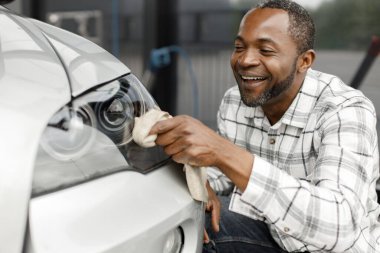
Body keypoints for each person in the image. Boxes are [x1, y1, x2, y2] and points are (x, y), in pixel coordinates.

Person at [150, 0, 380, 252]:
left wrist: (222, 151)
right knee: (190, 223)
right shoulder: (234, 101)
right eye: (239, 47)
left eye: (266, 51)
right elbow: (223, 177)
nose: (245, 60)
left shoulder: (345, 109)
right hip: (270, 235)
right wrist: (198, 182)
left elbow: (339, 225)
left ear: (304, 61)